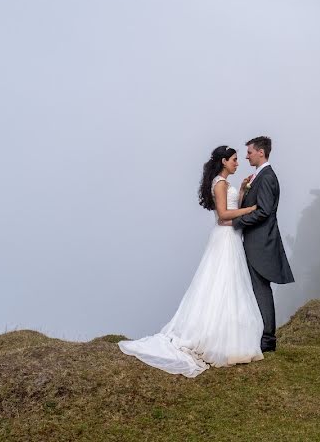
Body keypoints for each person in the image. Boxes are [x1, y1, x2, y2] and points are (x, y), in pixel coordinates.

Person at [118, 145, 265, 377]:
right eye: (235, 159)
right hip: (225, 237)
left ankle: (229, 339)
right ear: (224, 161)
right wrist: (249, 209)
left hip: (232, 237)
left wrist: (244, 190)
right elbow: (223, 215)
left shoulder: (225, 183)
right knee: (221, 283)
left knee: (231, 285)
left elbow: (231, 207)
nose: (238, 163)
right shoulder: (220, 183)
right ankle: (215, 339)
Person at [233, 136, 294, 353]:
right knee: (256, 289)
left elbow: (264, 211)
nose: (246, 156)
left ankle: (267, 340)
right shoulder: (259, 176)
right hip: (255, 241)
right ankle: (259, 335)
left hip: (260, 242)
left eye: (249, 152)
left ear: (261, 152)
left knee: (261, 289)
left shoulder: (267, 177)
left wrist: (237, 221)